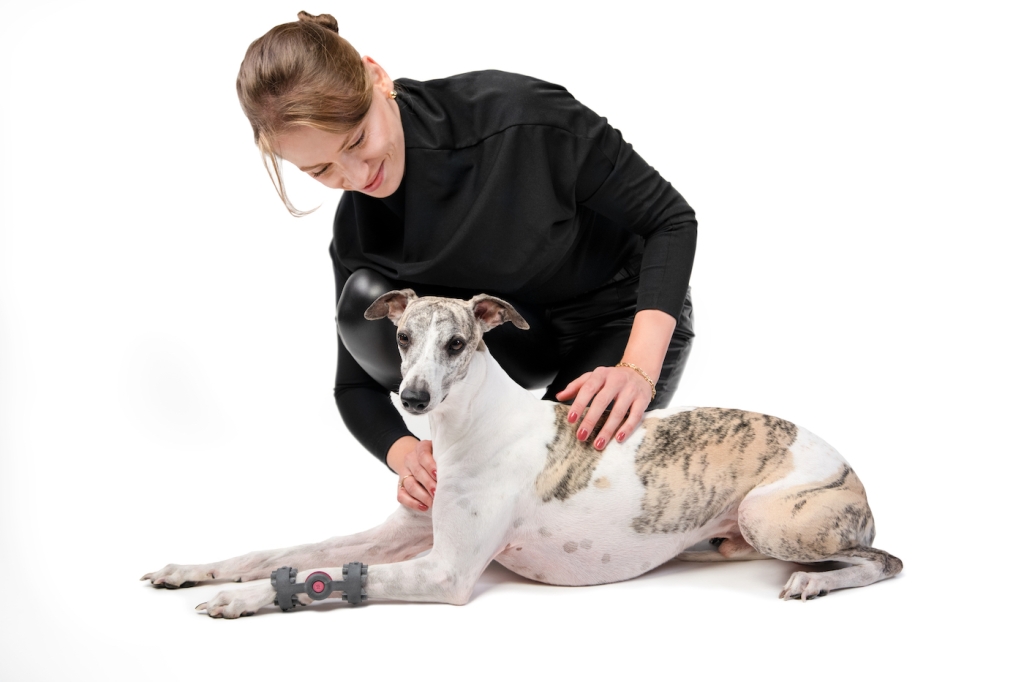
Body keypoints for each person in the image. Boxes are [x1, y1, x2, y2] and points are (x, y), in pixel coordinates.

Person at [236, 11, 697, 515]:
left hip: (623, 319)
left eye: (356, 140)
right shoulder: (357, 234)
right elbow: (354, 386)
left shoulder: (523, 118)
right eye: (321, 169)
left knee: (553, 491)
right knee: (363, 296)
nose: (356, 174)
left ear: (376, 76)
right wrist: (406, 454)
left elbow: (671, 221)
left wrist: (636, 368)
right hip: (516, 336)